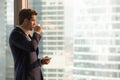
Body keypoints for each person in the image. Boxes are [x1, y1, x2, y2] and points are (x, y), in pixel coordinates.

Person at [9, 8, 51, 80]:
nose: (35, 23)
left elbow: (27, 59)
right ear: (25, 21)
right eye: (33, 21)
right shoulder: (16, 34)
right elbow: (31, 47)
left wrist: (41, 61)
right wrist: (37, 33)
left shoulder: (26, 35)